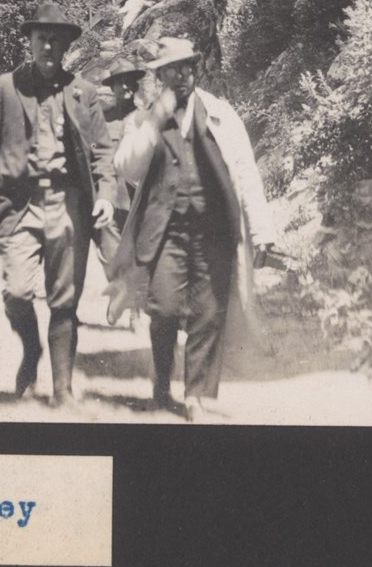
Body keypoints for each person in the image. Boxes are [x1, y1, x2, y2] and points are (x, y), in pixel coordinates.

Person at [108, 37, 276, 421]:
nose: (181, 76)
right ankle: (162, 385)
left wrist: (262, 229)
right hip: (166, 232)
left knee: (208, 312)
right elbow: (127, 168)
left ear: (195, 70)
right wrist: (154, 120)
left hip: (214, 230)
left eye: (187, 67)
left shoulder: (221, 114)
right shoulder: (144, 119)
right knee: (164, 308)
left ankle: (196, 395)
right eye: (172, 70)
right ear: (161, 76)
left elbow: (246, 172)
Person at [0, 3, 116, 407]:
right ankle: (31, 350)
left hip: (68, 205)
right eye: (41, 38)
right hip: (19, 205)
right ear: (29, 42)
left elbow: (102, 152)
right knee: (16, 292)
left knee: (64, 301)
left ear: (65, 46)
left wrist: (107, 197)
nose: (48, 45)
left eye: (56, 40)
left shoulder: (84, 92)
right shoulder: (5, 88)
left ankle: (62, 390)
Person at [95, 58, 147, 278]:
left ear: (135, 86)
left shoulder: (144, 119)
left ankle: (137, 306)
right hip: (109, 199)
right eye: (120, 83)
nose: (125, 87)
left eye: (129, 82)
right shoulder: (101, 120)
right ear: (112, 87)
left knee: (140, 253)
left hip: (138, 199)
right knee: (110, 255)